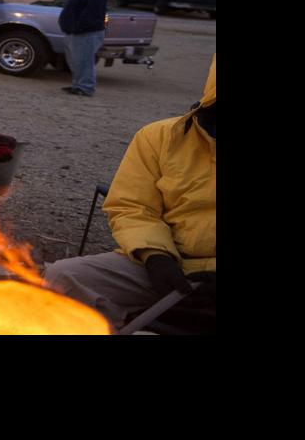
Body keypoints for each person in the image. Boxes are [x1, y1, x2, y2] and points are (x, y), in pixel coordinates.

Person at [44, 56, 216, 330]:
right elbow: (132, 206)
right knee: (64, 275)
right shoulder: (159, 137)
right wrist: (155, 256)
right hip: (170, 263)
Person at [57, 0, 106, 97]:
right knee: (76, 61)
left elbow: (91, 16)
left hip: (86, 34)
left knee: (84, 61)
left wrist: (76, 28)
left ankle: (86, 87)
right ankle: (77, 85)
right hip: (75, 33)